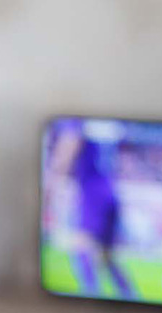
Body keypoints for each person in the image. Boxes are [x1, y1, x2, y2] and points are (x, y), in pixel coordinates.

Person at [50, 119, 134, 300]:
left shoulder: (76, 122)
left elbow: (69, 146)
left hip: (92, 191)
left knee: (81, 245)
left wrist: (54, 178)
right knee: (107, 256)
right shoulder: (104, 123)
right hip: (111, 189)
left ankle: (89, 299)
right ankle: (131, 297)